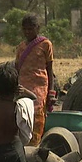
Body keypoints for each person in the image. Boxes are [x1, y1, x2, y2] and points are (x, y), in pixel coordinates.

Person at [14, 14, 55, 146]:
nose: (28, 32)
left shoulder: (45, 45)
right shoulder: (21, 47)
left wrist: (51, 92)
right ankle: (24, 144)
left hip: (40, 86)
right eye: (25, 29)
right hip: (23, 85)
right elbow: (16, 68)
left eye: (30, 29)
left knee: (37, 116)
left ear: (37, 28)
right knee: (23, 113)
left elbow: (50, 69)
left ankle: (34, 145)